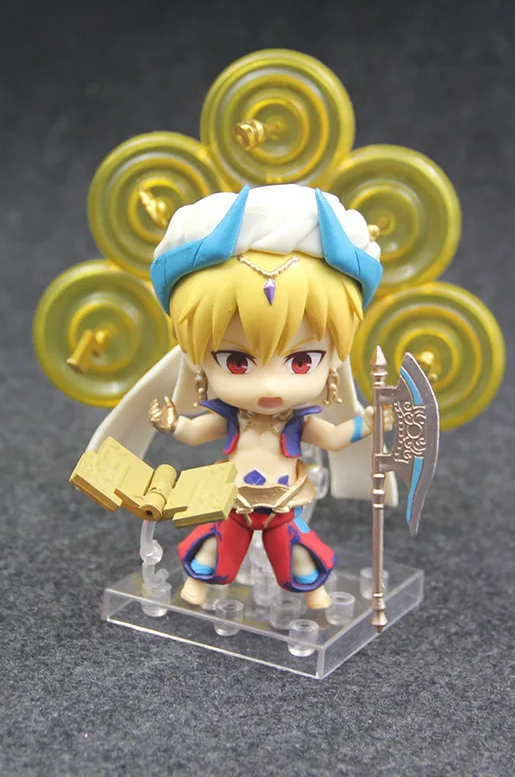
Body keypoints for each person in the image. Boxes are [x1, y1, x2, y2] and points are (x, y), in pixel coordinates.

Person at [86, 184, 396, 610]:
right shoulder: (232, 418)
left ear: (333, 362)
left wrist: (368, 425)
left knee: (298, 554)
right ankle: (197, 588)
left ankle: (316, 594)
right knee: (214, 547)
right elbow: (196, 433)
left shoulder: (298, 423)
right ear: (197, 360)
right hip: (233, 502)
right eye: (236, 362)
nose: (269, 386)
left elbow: (334, 437)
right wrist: (173, 423)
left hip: (284, 503)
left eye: (301, 361)